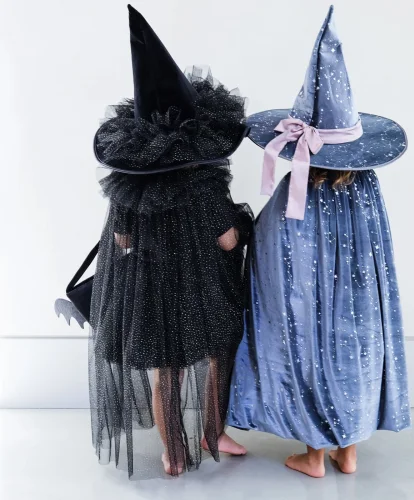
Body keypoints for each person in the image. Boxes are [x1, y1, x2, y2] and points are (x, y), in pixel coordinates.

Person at [228, 5, 410, 478]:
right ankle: (348, 452)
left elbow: (275, 246)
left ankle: (313, 456)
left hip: (309, 299)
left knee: (309, 349)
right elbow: (378, 249)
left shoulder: (302, 187)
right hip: (359, 298)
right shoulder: (366, 187)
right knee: (354, 348)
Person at [88, 5, 252, 477]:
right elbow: (226, 241)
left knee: (167, 372)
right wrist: (245, 226)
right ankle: (213, 433)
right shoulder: (205, 183)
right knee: (216, 358)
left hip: (151, 291)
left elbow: (120, 239)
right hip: (202, 290)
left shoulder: (128, 186)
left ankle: (172, 453)